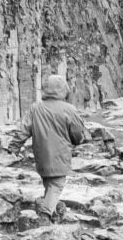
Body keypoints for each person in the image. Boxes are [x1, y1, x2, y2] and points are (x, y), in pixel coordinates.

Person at [8, 74, 85, 221]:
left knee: (49, 185)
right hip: (60, 156)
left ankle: (53, 216)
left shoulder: (35, 108)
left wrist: (14, 147)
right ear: (63, 89)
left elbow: (23, 130)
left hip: (41, 156)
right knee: (56, 186)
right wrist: (78, 141)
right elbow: (78, 134)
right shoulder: (69, 109)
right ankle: (45, 215)